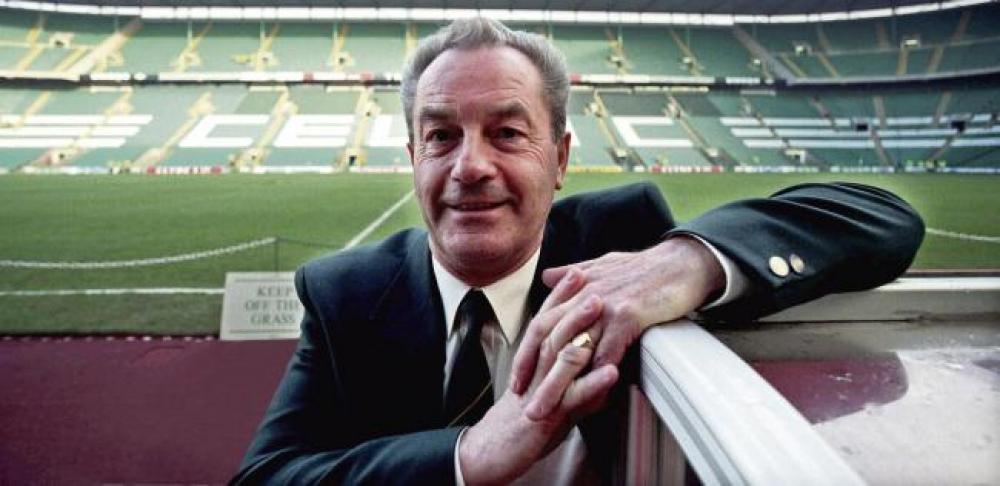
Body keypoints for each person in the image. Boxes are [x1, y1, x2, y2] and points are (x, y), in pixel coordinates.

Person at [233, 18, 923, 485]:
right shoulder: (346, 293)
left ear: (560, 159)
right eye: (441, 136)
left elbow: (882, 220)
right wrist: (465, 457)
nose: (469, 166)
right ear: (414, 157)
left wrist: (685, 261)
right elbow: (266, 475)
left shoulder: (623, 239)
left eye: (507, 133)